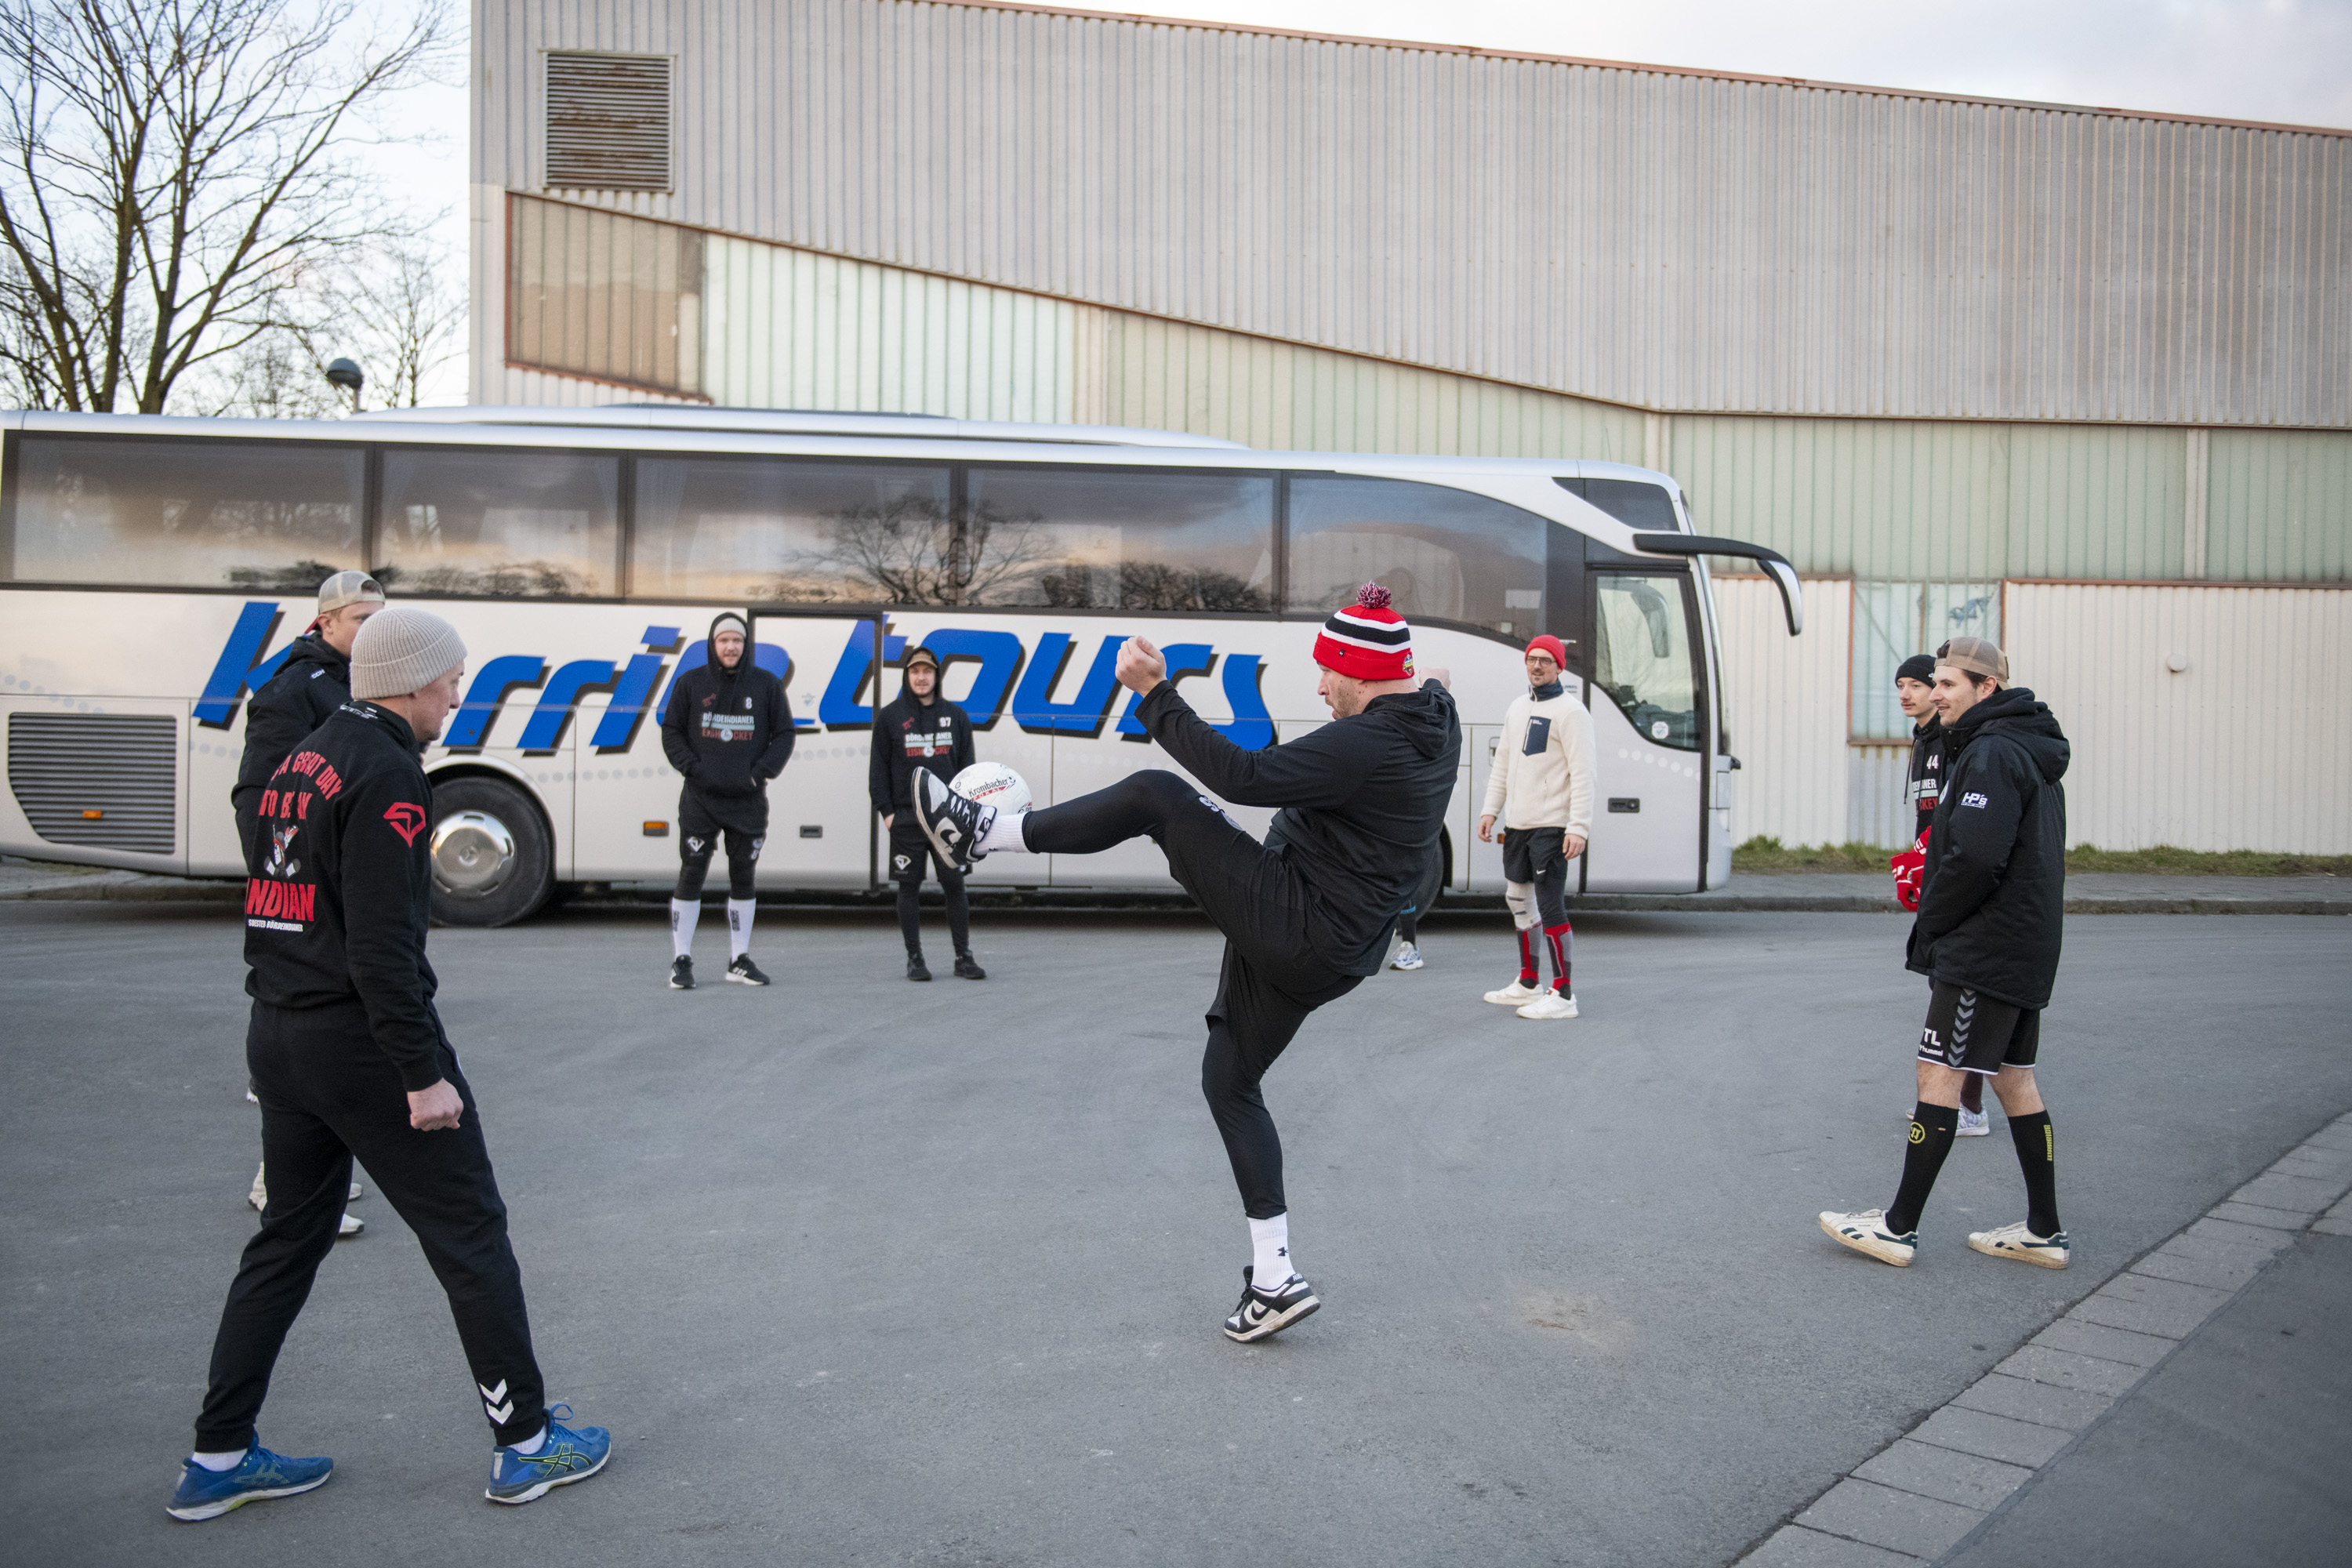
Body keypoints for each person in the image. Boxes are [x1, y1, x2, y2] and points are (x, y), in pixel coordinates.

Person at [912, 584, 1460, 1343]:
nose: (1321, 687)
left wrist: (1157, 694)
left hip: (1298, 921)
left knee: (1157, 796)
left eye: (1328, 673)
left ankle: (984, 835)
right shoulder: (1436, 719)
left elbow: (1243, 776)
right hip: (1337, 943)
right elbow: (1415, 718)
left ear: (1360, 673)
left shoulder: (1370, 743)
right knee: (1228, 1078)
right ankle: (1275, 1279)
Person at [171, 608, 608, 1522]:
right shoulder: (390, 774)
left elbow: (279, 904)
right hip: (363, 1042)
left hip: (279, 1029)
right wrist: (421, 1075)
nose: (458, 692)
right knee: (470, 1231)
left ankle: (218, 1453)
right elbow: (382, 949)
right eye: (451, 678)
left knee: (286, 1240)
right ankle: (527, 1443)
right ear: (409, 680)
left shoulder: (305, 756)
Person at [1820, 636, 2072, 1271]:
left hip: (1984, 948)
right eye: (1934, 682)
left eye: (1949, 684)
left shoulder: (1990, 752)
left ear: (1986, 689)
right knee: (2014, 1078)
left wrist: (1931, 919)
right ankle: (2044, 1230)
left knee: (1938, 1074)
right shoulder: (2025, 749)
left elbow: (1976, 858)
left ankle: (1897, 1228)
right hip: (2024, 944)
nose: (1935, 694)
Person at [230, 569, 385, 1240]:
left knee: (339, 1032)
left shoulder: (356, 682)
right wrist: (283, 881)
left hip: (336, 889)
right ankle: (279, 1189)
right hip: (302, 896)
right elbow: (260, 799)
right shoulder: (292, 689)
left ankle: (314, 1175)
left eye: (380, 620)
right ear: (324, 622)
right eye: (360, 620)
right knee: (306, 1027)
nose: (371, 631)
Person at [660, 612, 795, 989]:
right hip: (700, 800)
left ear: (745, 645)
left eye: (737, 640)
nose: (731, 647)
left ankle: (739, 960)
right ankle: (680, 961)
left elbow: (784, 734)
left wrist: (760, 772)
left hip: (747, 801)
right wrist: (693, 768)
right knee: (692, 874)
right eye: (723, 641)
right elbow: (671, 731)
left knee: (744, 877)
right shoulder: (691, 684)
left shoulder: (766, 685)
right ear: (713, 645)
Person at [1889, 653, 1988, 1137]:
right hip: (1933, 872)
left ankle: (1968, 1106)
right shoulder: (1925, 739)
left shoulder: (1952, 742)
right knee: (1940, 984)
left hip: (1953, 875)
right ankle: (1961, 1102)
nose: (1907, 694)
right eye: (1900, 685)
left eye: (1917, 683)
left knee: (1955, 989)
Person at [1475, 635, 1595, 1021]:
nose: (1537, 666)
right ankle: (1528, 982)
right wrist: (1490, 810)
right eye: (1531, 660)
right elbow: (1504, 765)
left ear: (1560, 666)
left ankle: (1563, 994)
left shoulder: (1572, 712)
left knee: (1549, 904)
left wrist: (1578, 827)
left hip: (1553, 825)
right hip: (1519, 824)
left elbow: (1584, 774)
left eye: (1545, 660)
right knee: (1517, 899)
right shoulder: (1517, 708)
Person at [868, 644, 984, 982]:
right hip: (906, 820)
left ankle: (963, 957)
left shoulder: (957, 717)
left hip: (949, 819)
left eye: (927, 671)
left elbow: (968, 772)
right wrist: (888, 815)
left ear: (936, 676)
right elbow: (878, 773)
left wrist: (966, 816)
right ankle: (915, 959)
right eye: (915, 671)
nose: (921, 677)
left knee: (954, 886)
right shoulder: (890, 718)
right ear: (907, 676)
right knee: (908, 889)